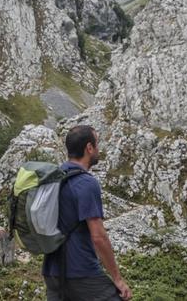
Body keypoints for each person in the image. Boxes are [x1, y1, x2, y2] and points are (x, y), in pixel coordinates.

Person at [43, 125, 132, 301]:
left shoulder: (55, 176)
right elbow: (99, 237)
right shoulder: (86, 183)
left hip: (52, 271)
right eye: (97, 144)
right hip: (81, 272)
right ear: (89, 148)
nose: (99, 149)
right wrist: (117, 279)